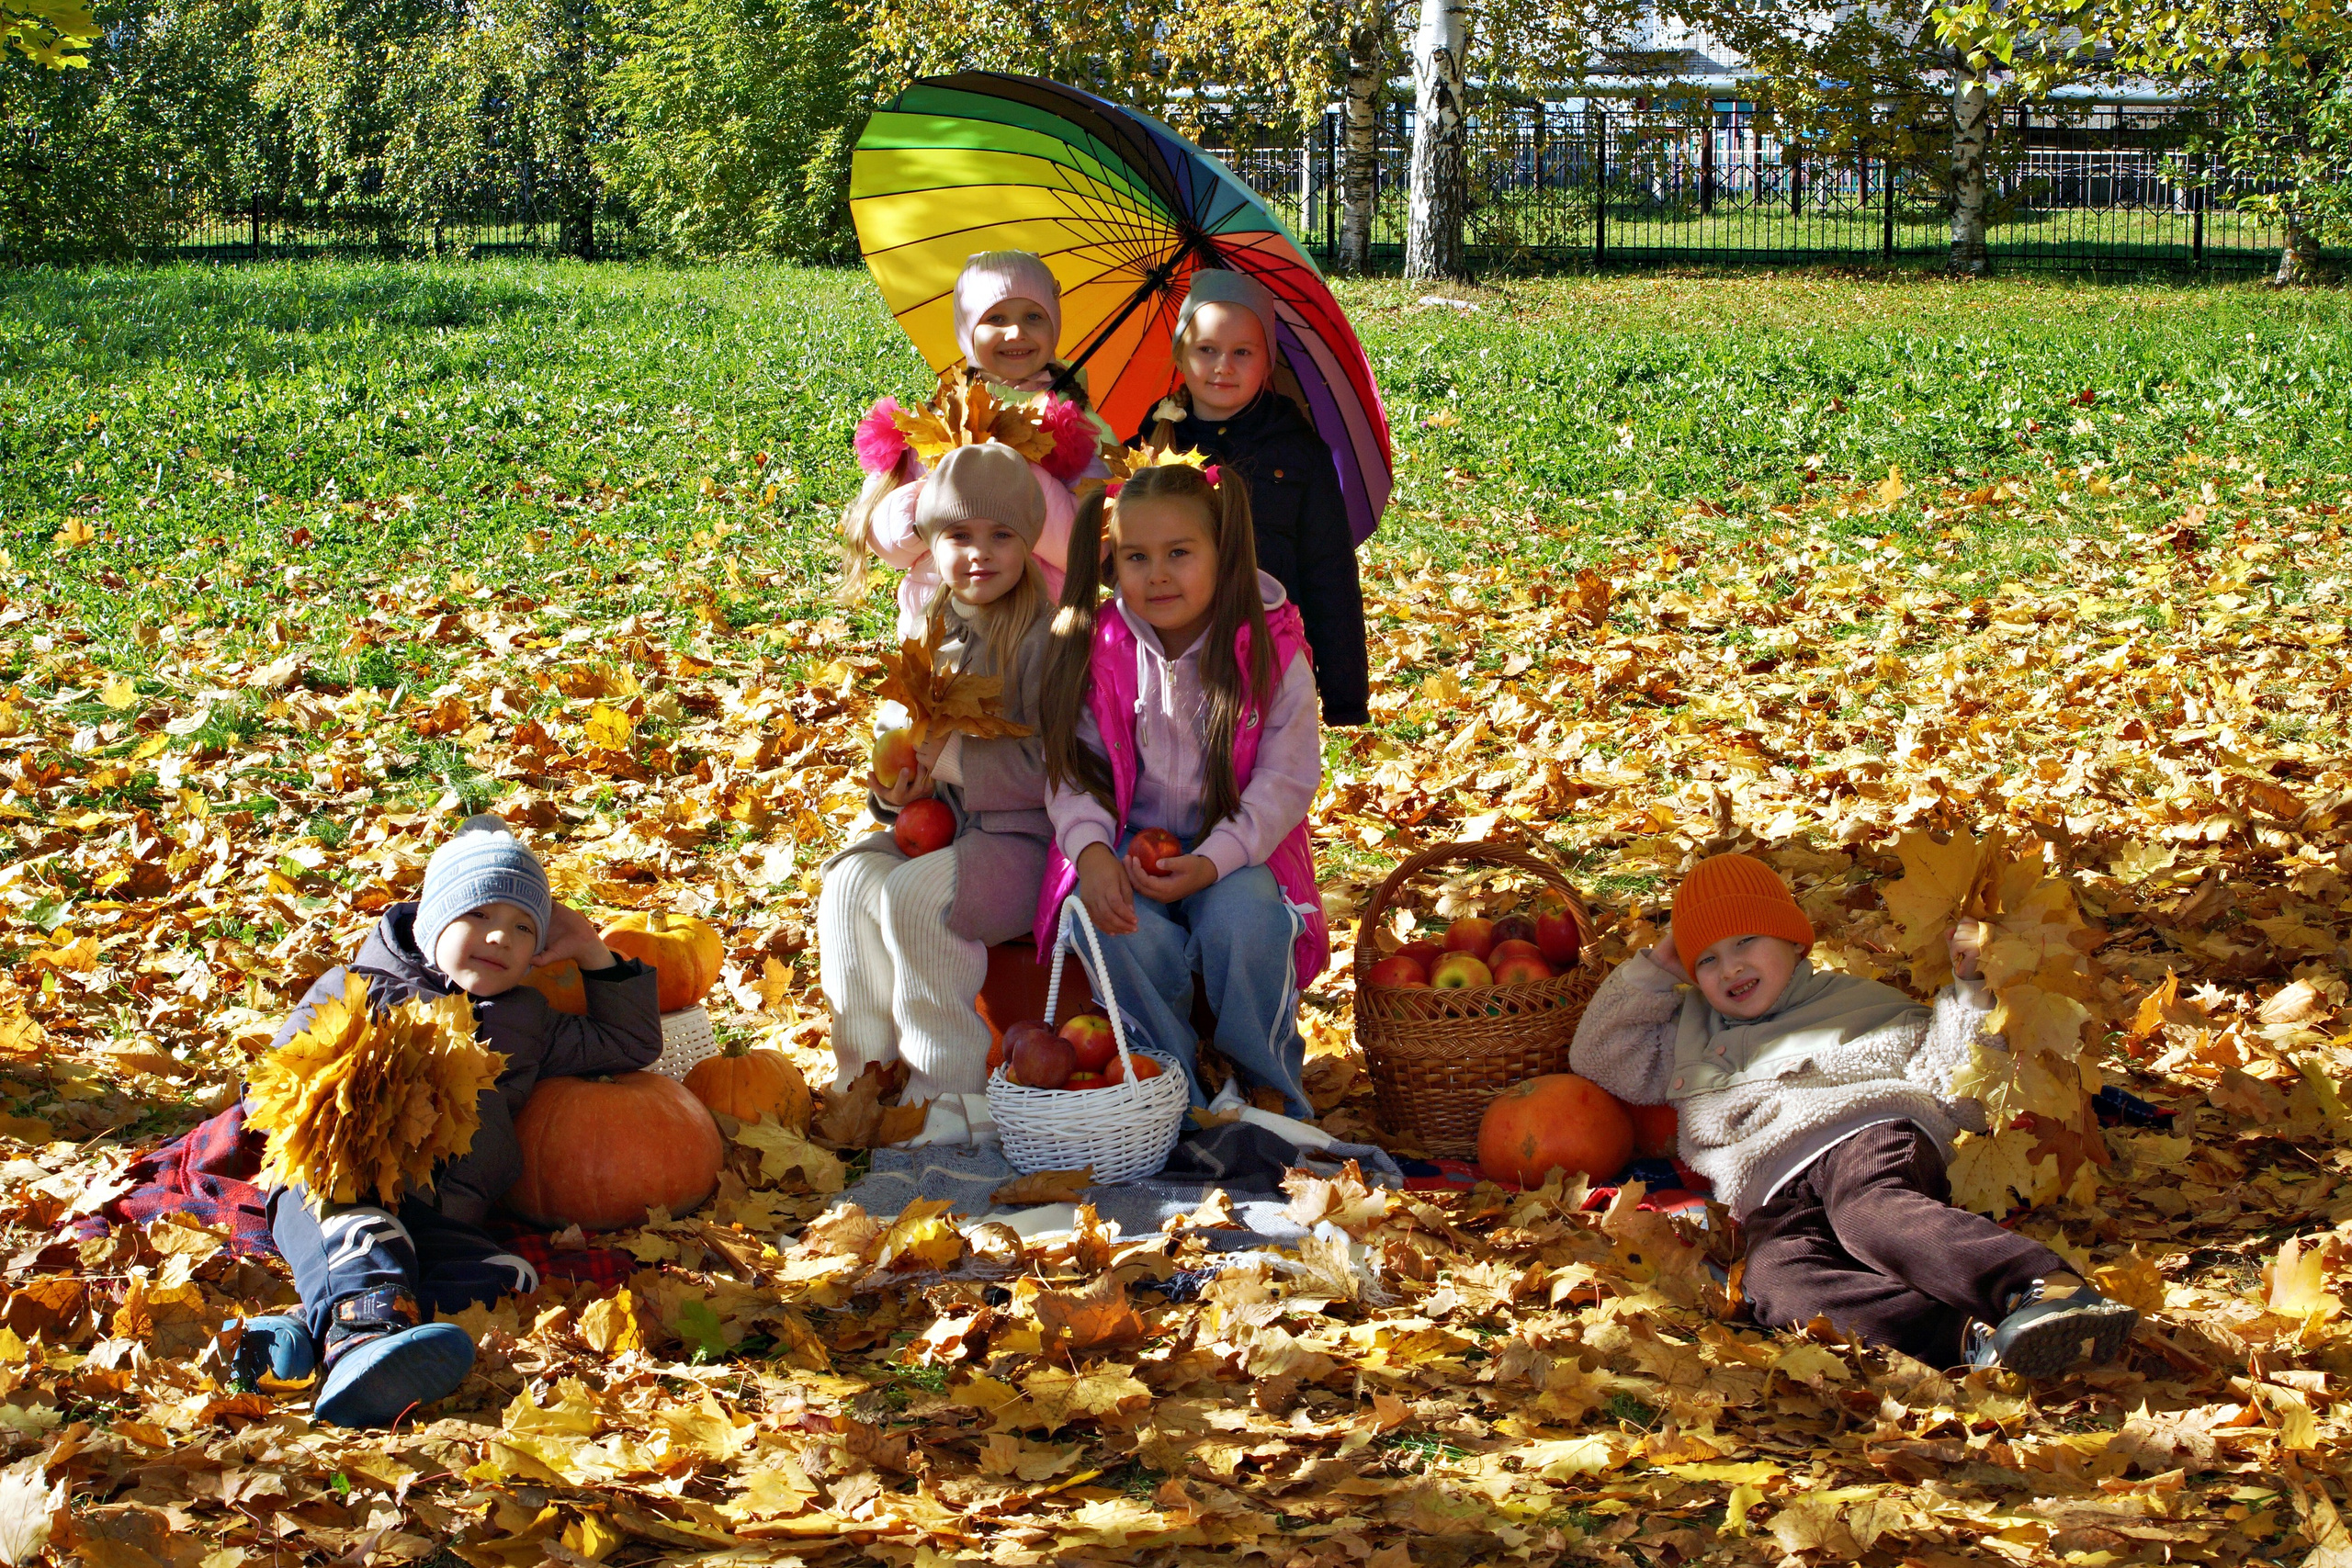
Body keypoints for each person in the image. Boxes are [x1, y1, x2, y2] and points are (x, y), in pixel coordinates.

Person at [1569, 852, 2138, 1376]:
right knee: (1776, 1281)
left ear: (1794, 942)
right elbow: (1599, 1057)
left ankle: (2043, 1286)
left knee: (1868, 1214)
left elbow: (1957, 1089)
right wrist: (1657, 966)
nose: (1730, 967)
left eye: (1746, 941)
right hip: (1770, 1190)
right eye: (1707, 959)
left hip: (1862, 1137)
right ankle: (1970, 1340)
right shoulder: (1690, 1031)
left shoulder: (1858, 1003)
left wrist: (1968, 991)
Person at [236, 817, 662, 1427]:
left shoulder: (526, 1020)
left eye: (524, 927)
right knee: (363, 1241)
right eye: (479, 915)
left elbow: (630, 1042)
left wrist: (593, 950)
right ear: (431, 921)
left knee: (501, 1278)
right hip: (339, 1187)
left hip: (447, 1213)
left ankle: (300, 1335)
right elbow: (272, 1087)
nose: (500, 937)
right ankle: (362, 1345)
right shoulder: (357, 989)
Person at [1037, 458, 1327, 1118]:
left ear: (1222, 553)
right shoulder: (1098, 647)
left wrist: (1215, 860)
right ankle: (1168, 1089)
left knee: (1246, 920)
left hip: (1239, 845)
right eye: (1136, 557)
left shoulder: (1271, 649)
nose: (1158, 574)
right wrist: (1092, 853)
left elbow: (1286, 779)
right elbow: (1073, 769)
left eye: (1179, 553)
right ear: (1113, 561)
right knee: (1115, 922)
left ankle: (1266, 1093)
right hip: (1128, 839)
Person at [821, 443, 1057, 1109]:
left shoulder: (1049, 639)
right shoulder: (935, 625)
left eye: (1000, 535)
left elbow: (1061, 768)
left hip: (1024, 843)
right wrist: (895, 786)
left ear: (1028, 541)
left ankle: (949, 1096)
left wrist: (949, 759)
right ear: (930, 542)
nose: (979, 553)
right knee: (848, 882)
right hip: (945, 825)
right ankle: (863, 1080)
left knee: (916, 897)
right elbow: (905, 728)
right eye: (958, 535)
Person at [1136, 269, 1368, 727]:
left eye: (1243, 352)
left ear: (1267, 363)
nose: (1224, 365)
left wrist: (1345, 695)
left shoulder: (1299, 451)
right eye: (1207, 349)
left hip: (1267, 663)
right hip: (1169, 663)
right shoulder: (1152, 442)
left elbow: (1329, 572)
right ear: (1180, 354)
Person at [840, 251, 1112, 637]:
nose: (1016, 333)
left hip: (1038, 629)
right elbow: (884, 540)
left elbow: (1091, 547)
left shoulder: (1074, 426)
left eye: (1033, 317)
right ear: (967, 328)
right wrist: (929, 506)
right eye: (995, 318)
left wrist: (1019, 478)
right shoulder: (941, 418)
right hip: (939, 626)